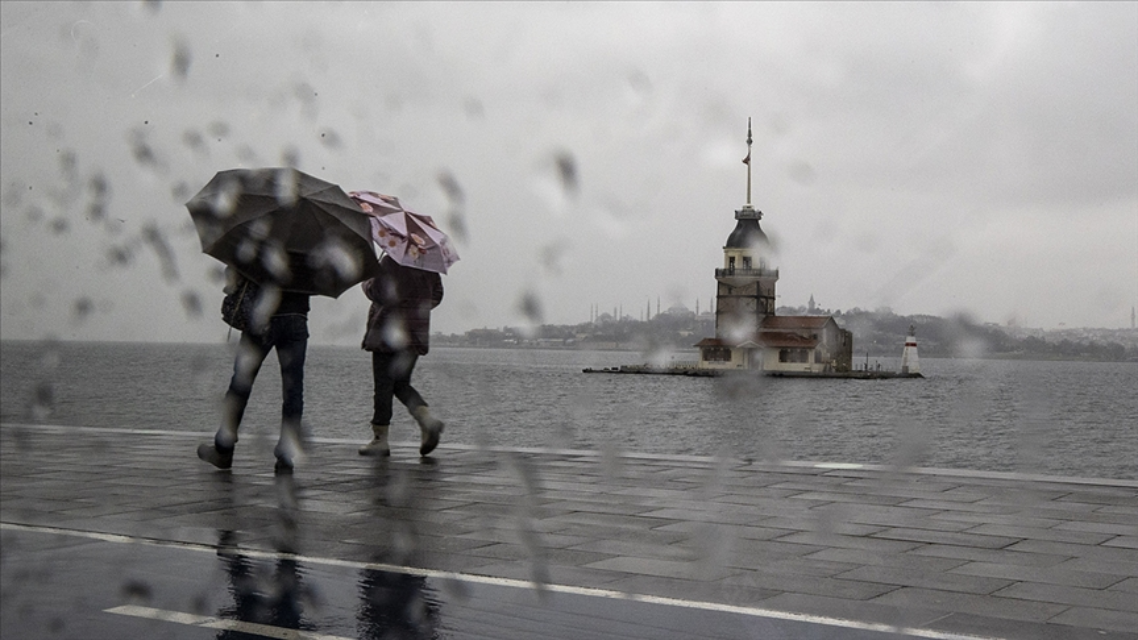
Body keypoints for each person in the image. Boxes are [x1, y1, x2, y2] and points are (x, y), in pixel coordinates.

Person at [198, 268, 311, 472]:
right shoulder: (311, 241)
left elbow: (237, 270)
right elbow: (316, 281)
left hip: (262, 316)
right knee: (293, 389)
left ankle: (224, 448)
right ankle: (286, 455)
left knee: (241, 384)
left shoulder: (263, 237)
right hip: (296, 317)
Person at [358, 254, 445, 457]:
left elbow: (378, 292)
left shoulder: (390, 261)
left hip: (387, 333)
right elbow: (437, 296)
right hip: (414, 334)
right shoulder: (428, 263)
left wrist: (367, 282)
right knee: (400, 383)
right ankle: (427, 421)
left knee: (383, 385)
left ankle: (380, 440)